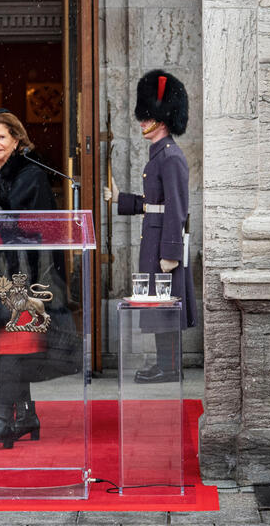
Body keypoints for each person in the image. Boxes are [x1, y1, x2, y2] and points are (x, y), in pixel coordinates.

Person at [0, 109, 62, 447]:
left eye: (0, 137)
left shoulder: (32, 174)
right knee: (4, 342)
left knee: (14, 344)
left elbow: (32, 223)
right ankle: (27, 412)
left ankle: (6, 417)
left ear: (16, 140)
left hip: (25, 271)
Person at [105, 69, 197, 383]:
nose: (142, 122)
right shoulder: (159, 154)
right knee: (159, 305)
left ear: (162, 118)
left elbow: (177, 207)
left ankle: (169, 367)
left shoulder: (170, 156)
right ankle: (165, 364)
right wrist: (120, 198)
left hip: (163, 243)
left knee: (166, 305)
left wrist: (171, 251)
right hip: (156, 238)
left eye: (147, 117)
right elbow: (153, 203)